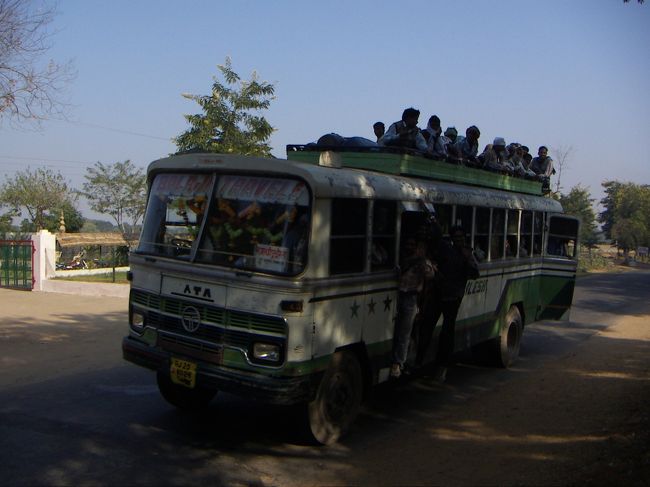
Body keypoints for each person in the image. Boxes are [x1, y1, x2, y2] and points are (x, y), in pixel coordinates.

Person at [416, 225, 479, 382]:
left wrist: (467, 260)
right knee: (426, 327)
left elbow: (475, 273)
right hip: (438, 294)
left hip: (453, 297)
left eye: (461, 237)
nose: (459, 240)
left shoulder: (467, 254)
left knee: (447, 333)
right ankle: (418, 361)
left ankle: (442, 367)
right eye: (456, 238)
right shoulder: (445, 249)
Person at [390, 233, 434, 378]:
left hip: (411, 297)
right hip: (398, 296)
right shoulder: (400, 259)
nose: (409, 247)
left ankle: (398, 363)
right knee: (397, 331)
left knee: (404, 332)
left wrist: (422, 261)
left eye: (412, 245)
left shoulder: (420, 262)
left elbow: (430, 275)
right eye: (407, 244)